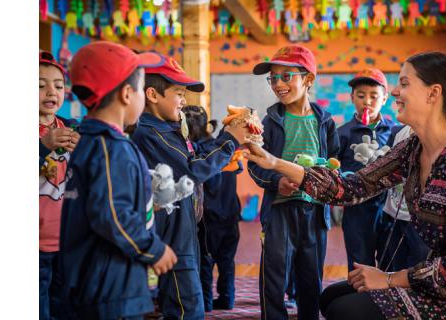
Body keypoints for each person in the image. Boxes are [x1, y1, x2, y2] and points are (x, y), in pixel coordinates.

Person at [244, 51, 446, 319]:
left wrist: (389, 279)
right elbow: (351, 188)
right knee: (329, 298)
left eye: (404, 83)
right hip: (434, 280)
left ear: (433, 93)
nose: (395, 92)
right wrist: (273, 162)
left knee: (342, 310)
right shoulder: (412, 148)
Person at [57, 41, 178, 319]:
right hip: (110, 289)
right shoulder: (111, 148)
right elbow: (112, 215)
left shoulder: (89, 142)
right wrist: (154, 250)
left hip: (93, 284)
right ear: (127, 94)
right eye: (142, 90)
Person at [130, 53, 250, 320]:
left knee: (183, 301)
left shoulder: (167, 129)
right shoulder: (151, 133)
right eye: (179, 93)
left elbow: (193, 152)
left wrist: (228, 143)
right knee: (188, 308)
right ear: (152, 94)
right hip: (173, 237)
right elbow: (194, 167)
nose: (184, 101)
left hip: (183, 231)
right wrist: (229, 140)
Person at [248, 45, 340, 320]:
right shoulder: (272, 119)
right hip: (279, 210)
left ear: (308, 79)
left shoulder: (325, 122)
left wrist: (331, 175)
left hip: (314, 212)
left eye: (286, 76)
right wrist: (278, 182)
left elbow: (334, 161)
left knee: (311, 278)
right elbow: (255, 164)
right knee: (274, 276)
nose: (278, 84)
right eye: (273, 78)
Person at [183, 105, 243, 312]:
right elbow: (238, 168)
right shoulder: (224, 145)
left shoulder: (198, 152)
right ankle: (227, 298)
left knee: (205, 261)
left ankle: (206, 302)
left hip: (209, 216)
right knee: (227, 260)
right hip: (231, 211)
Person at [335, 68, 395, 272]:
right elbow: (333, 167)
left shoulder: (395, 131)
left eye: (374, 96)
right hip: (356, 209)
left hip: (389, 207)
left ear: (384, 99)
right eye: (361, 96)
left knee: (390, 260)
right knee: (359, 261)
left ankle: (386, 302)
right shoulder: (342, 133)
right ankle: (359, 301)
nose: (367, 101)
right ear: (352, 98)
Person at [38, 50, 80, 320]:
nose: (51, 91)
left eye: (58, 85)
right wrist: (43, 146)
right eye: (40, 86)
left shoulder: (72, 128)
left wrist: (82, 151)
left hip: (68, 240)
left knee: (66, 308)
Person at [374, 124, 430, 272]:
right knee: (396, 266)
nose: (398, 101)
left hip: (419, 221)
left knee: (417, 268)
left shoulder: (433, 134)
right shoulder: (397, 132)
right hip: (394, 215)